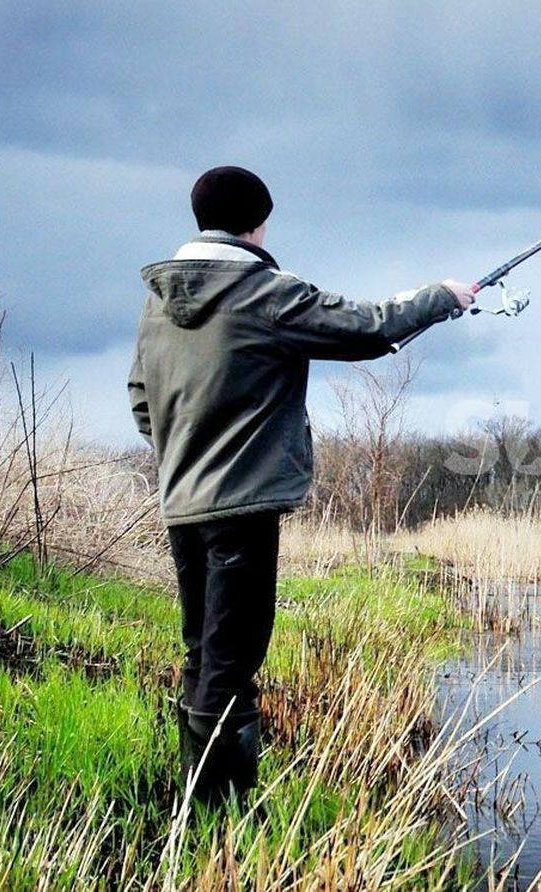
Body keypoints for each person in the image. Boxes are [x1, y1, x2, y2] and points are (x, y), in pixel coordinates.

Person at [126, 166, 474, 806]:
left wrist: (186, 451)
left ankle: (201, 808)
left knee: (204, 653)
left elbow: (141, 403)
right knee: (233, 661)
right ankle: (217, 813)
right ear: (257, 223)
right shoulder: (263, 291)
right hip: (243, 508)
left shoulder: (159, 302)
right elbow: (368, 326)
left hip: (181, 505)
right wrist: (444, 295)